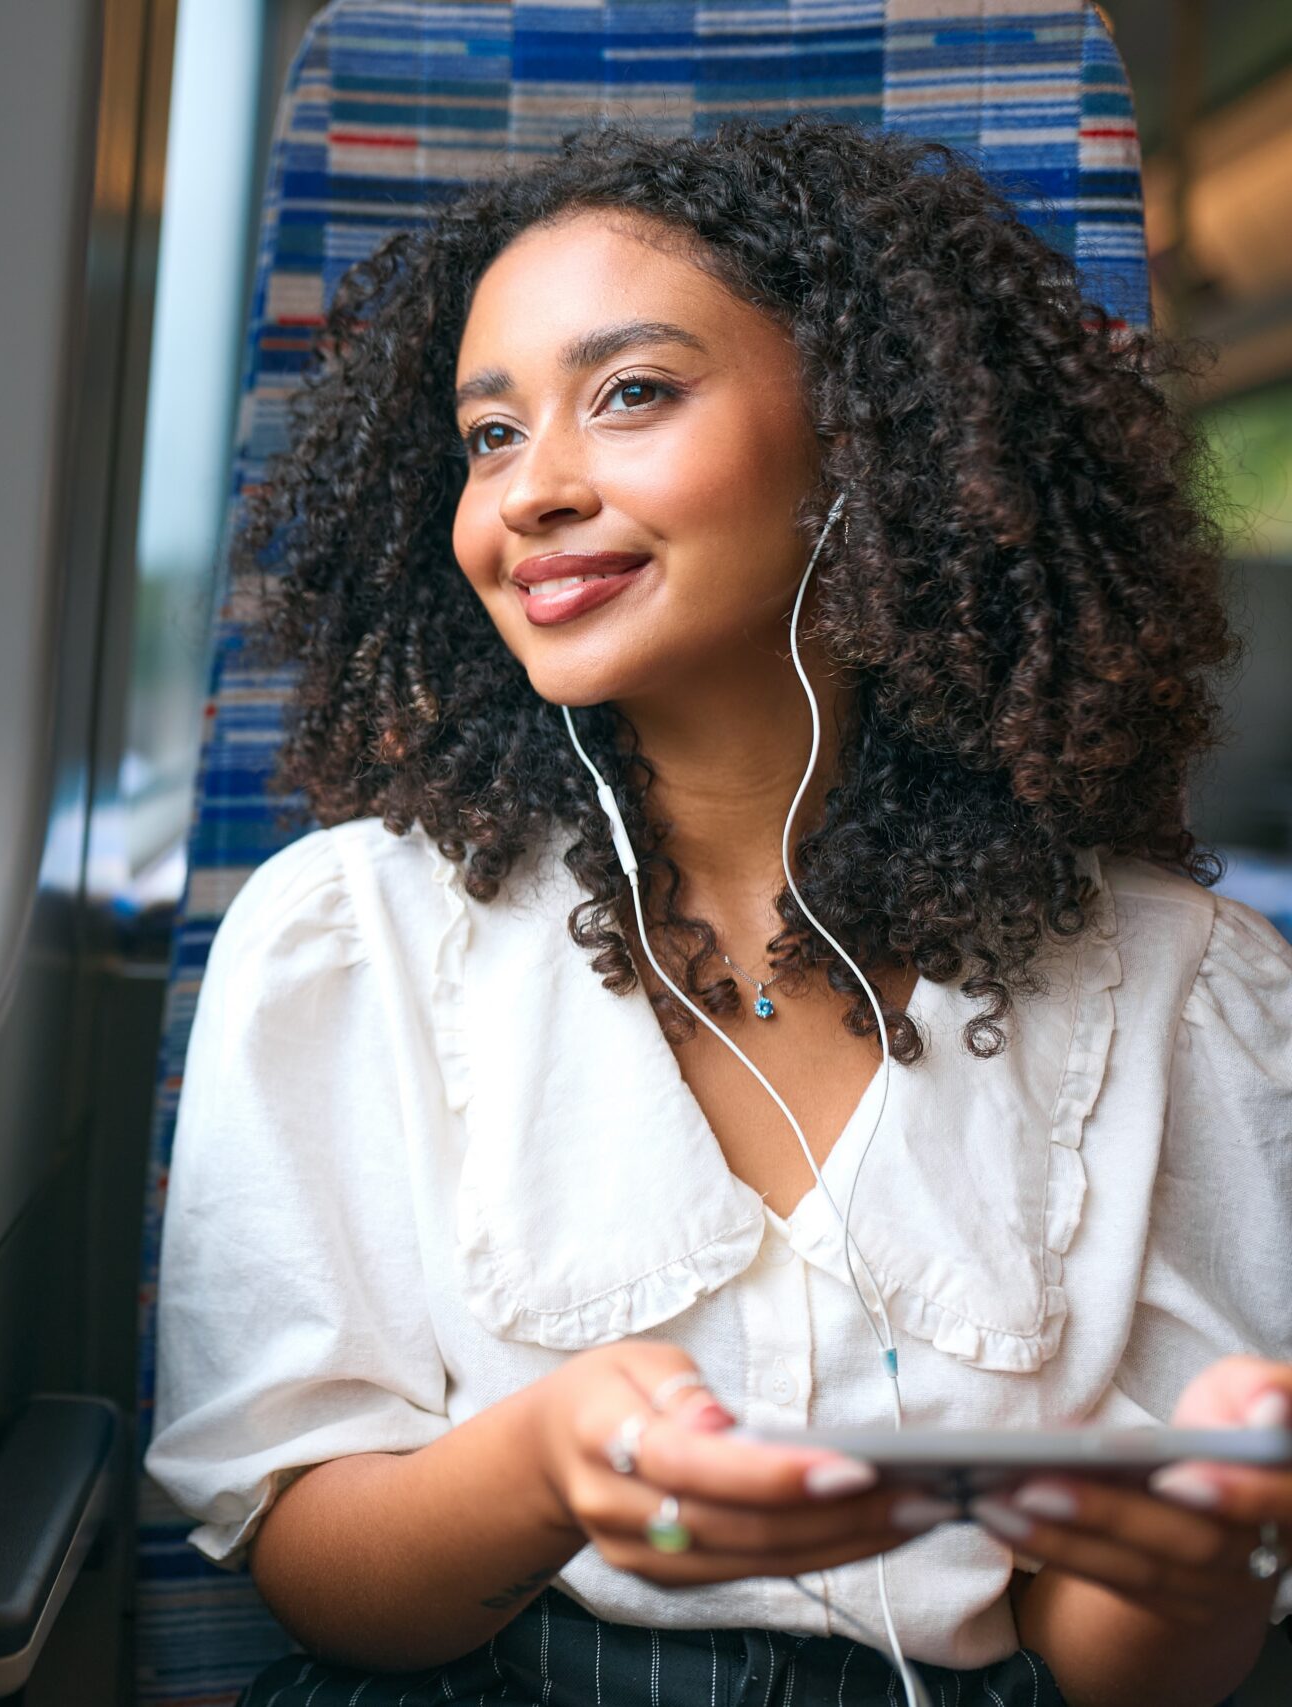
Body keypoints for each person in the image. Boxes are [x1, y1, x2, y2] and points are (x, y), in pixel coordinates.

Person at [142, 115, 1292, 1707]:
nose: (532, 490)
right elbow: (334, 1597)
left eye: (630, 394)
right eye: (487, 435)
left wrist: (1208, 1554)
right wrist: (548, 1465)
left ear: (862, 440)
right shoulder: (354, 942)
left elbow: (1109, 1674)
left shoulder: (1180, 992)